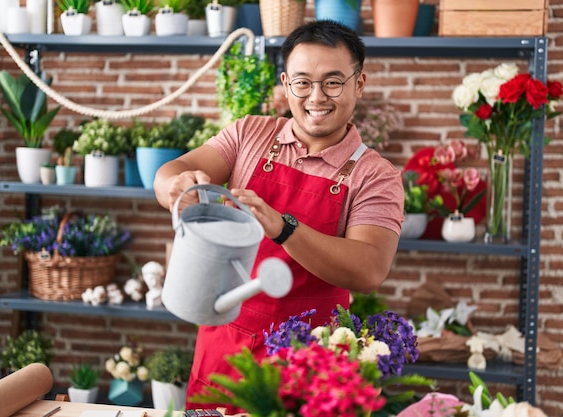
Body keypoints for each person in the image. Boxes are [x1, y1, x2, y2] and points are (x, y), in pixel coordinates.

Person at [153, 20, 404, 413]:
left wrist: (283, 227)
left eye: (333, 82)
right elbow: (172, 172)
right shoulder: (248, 134)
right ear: (286, 84)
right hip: (225, 345)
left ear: (359, 83)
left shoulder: (376, 175)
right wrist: (176, 186)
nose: (316, 96)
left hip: (308, 358)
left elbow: (368, 269)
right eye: (302, 82)